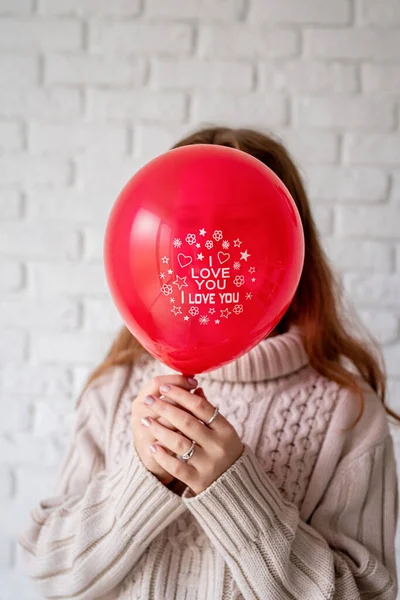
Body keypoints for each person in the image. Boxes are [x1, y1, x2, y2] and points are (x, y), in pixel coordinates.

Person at [18, 126, 399, 600]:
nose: (210, 246)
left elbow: (367, 594)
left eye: (239, 224)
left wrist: (234, 491)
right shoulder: (114, 392)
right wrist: (142, 477)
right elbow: (47, 572)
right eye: (190, 224)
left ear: (288, 243)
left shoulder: (349, 414)